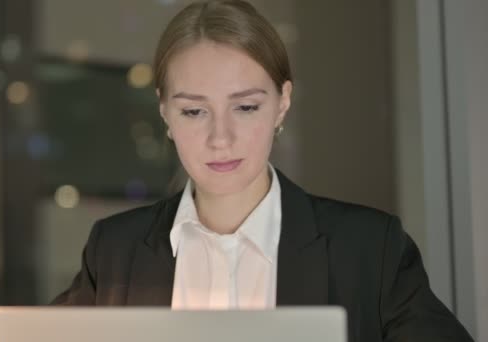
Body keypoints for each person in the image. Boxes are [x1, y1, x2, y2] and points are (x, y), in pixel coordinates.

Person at [52, 1, 473, 341]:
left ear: (282, 103)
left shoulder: (369, 249)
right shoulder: (114, 249)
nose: (221, 138)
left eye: (246, 107)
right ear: (165, 110)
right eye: (194, 110)